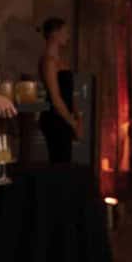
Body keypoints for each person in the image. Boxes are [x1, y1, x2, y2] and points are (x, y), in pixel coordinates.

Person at [38, 17, 81, 163]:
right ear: (55, 34)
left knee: (65, 163)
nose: (68, 36)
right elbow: (55, 99)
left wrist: (77, 116)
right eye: (65, 32)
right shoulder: (48, 61)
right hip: (55, 119)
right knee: (59, 165)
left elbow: (69, 92)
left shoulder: (61, 61)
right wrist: (73, 123)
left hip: (65, 118)